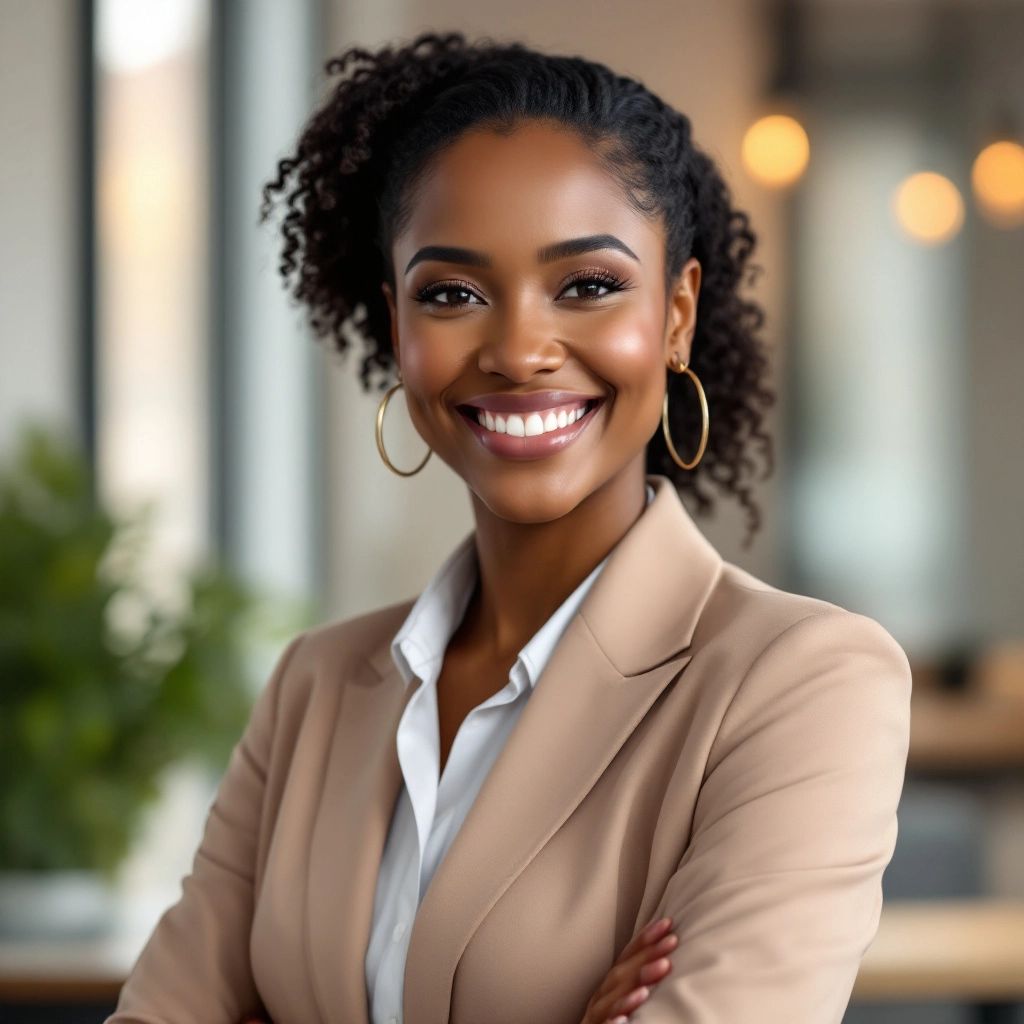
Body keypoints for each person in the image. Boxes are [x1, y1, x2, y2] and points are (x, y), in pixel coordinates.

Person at [106, 30, 912, 1024]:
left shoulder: (801, 681)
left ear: (675, 315)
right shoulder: (313, 688)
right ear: (395, 325)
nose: (521, 349)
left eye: (587, 286)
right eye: (451, 294)